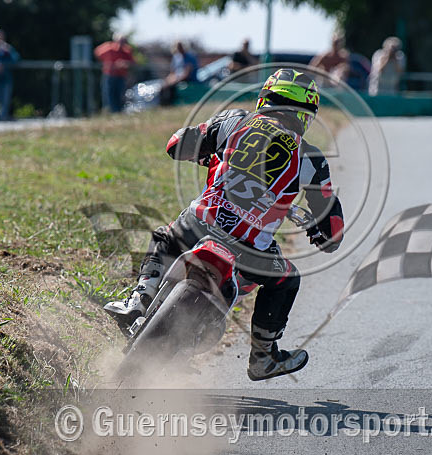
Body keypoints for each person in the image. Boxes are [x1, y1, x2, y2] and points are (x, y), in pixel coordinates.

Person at [104, 68, 345, 381]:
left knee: (166, 236)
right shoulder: (311, 159)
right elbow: (333, 230)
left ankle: (139, 299)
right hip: (250, 250)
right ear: (306, 114)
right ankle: (263, 356)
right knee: (287, 279)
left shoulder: (233, 120)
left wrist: (206, 154)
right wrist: (320, 231)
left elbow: (176, 144)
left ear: (265, 99)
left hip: (200, 223)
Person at [94, 33, 135, 113]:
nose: (121, 44)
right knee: (109, 94)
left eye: (123, 42)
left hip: (121, 76)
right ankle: (110, 112)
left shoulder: (127, 50)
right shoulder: (108, 48)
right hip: (109, 75)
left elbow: (133, 63)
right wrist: (107, 63)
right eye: (120, 41)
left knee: (120, 95)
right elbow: (97, 53)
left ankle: (119, 112)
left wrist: (125, 63)